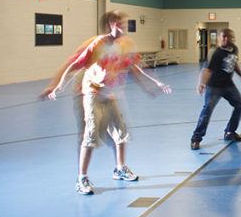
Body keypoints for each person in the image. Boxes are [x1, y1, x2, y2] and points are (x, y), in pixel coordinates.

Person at [48, 10, 171, 195]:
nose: (123, 26)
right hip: (93, 94)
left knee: (121, 132)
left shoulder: (127, 45)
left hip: (111, 96)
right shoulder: (97, 45)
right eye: (119, 23)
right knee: (90, 136)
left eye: (125, 23)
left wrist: (154, 82)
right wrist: (60, 85)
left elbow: (137, 66)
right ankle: (82, 178)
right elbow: (75, 65)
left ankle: (120, 168)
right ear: (111, 24)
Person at [190, 28, 241, 149]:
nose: (225, 39)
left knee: (239, 105)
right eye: (223, 37)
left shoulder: (234, 49)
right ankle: (196, 138)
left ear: (232, 38)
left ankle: (230, 132)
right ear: (219, 38)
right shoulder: (216, 53)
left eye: (227, 37)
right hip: (214, 86)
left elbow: (234, 63)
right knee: (207, 110)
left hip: (228, 85)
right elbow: (208, 70)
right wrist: (202, 84)